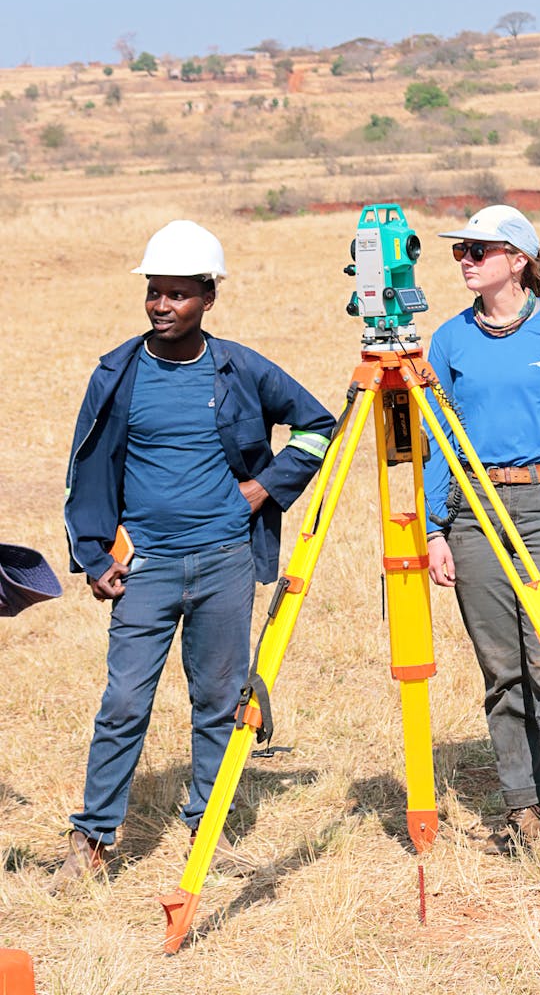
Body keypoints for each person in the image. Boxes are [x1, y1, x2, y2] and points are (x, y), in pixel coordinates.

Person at [54, 220, 334, 885]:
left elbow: (320, 427)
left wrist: (266, 486)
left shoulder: (240, 368)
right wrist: (94, 558)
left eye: (178, 294)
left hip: (225, 563)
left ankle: (205, 833)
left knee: (218, 701)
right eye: (155, 292)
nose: (161, 305)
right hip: (145, 568)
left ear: (209, 298)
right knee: (125, 701)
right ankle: (90, 841)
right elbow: (85, 471)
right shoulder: (116, 375)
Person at [424, 205, 540, 878]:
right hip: (473, 512)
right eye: (460, 252)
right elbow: (436, 440)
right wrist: (435, 528)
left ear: (518, 258)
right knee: (504, 675)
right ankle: (524, 809)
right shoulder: (447, 341)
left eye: (480, 249)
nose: (467, 260)